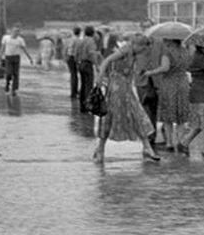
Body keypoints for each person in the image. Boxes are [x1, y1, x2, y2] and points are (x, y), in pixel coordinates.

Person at [92, 35, 160, 164]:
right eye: (143, 49)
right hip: (116, 89)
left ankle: (147, 147)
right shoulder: (124, 50)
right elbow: (107, 60)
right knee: (110, 118)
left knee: (137, 116)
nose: (143, 52)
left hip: (126, 89)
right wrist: (100, 76)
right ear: (138, 45)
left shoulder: (133, 53)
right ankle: (100, 148)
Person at [144, 38, 192, 149]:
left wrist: (150, 72)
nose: (164, 40)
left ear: (171, 40)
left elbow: (165, 68)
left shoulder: (167, 52)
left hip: (169, 84)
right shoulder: (185, 51)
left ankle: (169, 143)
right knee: (181, 115)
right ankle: (181, 141)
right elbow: (188, 66)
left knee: (167, 115)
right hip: (183, 83)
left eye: (166, 39)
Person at [0, 26, 34, 95]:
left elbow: (24, 49)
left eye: (18, 31)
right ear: (11, 31)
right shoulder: (6, 38)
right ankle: (7, 84)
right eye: (15, 31)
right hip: (8, 57)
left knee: (16, 74)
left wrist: (30, 58)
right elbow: (2, 48)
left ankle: (14, 89)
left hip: (16, 58)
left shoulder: (20, 40)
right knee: (9, 73)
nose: (16, 33)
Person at [74, 26, 101, 112]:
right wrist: (97, 65)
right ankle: (87, 106)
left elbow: (76, 53)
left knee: (83, 85)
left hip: (81, 63)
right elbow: (92, 54)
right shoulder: (91, 42)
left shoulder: (81, 41)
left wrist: (77, 62)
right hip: (87, 64)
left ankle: (82, 106)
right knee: (89, 86)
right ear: (93, 33)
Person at [63, 26, 82, 99]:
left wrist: (65, 57)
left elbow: (66, 49)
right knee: (75, 75)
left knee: (73, 75)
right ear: (80, 33)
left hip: (70, 57)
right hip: (75, 58)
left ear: (73, 32)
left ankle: (73, 92)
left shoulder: (70, 40)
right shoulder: (80, 40)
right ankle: (75, 92)